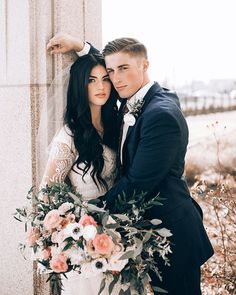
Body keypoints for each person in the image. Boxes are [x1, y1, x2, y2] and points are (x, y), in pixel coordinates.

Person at [47, 33, 214, 295]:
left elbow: (136, 185)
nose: (115, 78)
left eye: (123, 69)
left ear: (144, 65)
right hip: (132, 240)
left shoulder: (160, 115)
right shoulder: (134, 101)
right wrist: (81, 48)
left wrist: (82, 222)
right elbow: (104, 68)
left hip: (172, 236)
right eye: (111, 71)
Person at [40, 52, 122, 294]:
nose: (101, 86)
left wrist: (81, 46)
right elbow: (47, 193)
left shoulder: (114, 127)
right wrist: (69, 233)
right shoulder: (70, 136)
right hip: (84, 244)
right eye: (91, 80)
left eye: (105, 78)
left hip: (117, 239)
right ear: (79, 86)